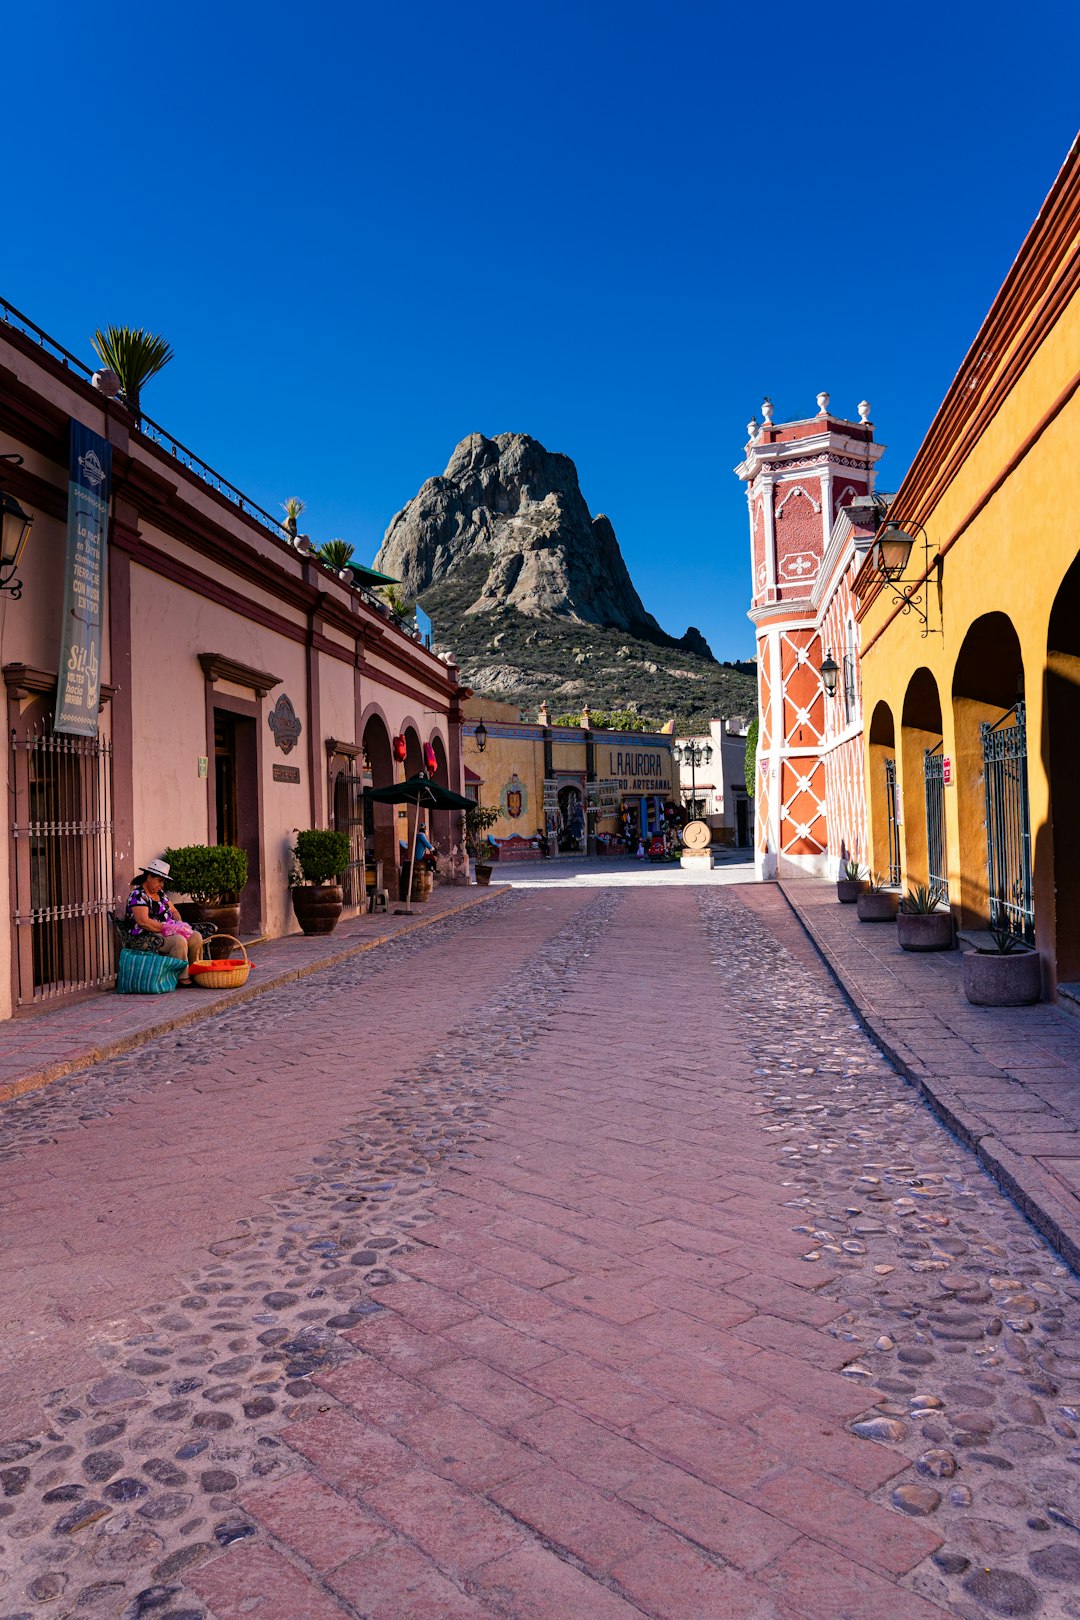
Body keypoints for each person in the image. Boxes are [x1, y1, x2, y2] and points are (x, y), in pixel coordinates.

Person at [126, 858, 203, 985]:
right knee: (178, 940)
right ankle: (181, 978)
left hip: (166, 932)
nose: (162, 885)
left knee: (195, 936)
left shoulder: (161, 894)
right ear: (149, 877)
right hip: (146, 936)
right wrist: (167, 928)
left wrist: (179, 924)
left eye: (163, 882)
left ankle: (195, 972)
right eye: (159, 881)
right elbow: (143, 921)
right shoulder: (138, 895)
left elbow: (174, 911)